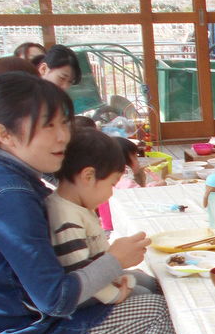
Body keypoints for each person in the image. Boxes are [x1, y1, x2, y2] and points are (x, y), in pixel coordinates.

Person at [0, 73, 176, 334]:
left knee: (146, 286)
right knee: (158, 311)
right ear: (5, 134)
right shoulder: (9, 197)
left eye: (64, 123)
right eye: (48, 126)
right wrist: (114, 260)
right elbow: (56, 300)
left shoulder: (1, 173)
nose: (63, 137)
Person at [47, 127, 154, 303]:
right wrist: (114, 296)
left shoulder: (77, 205)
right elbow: (79, 273)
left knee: (149, 283)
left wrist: (118, 273)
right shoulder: (66, 218)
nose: (111, 193)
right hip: (84, 296)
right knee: (146, 296)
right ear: (88, 176)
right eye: (111, 184)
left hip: (99, 278)